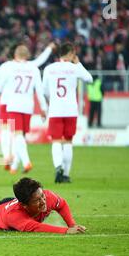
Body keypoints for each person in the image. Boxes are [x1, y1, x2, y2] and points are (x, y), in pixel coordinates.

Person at [0, 42, 55, 171]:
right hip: (27, 105)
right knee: (20, 135)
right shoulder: (33, 67)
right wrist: (44, 108)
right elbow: (39, 89)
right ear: (27, 55)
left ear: (14, 54)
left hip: (10, 103)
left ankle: (12, 158)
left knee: (9, 131)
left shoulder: (8, 66)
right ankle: (15, 164)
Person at [42, 42, 92, 183]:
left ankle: (58, 167)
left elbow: (44, 90)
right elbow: (89, 78)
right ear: (71, 54)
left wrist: (50, 101)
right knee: (68, 141)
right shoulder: (74, 68)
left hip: (55, 109)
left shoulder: (49, 68)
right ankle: (66, 174)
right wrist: (78, 64)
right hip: (71, 110)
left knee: (56, 141)